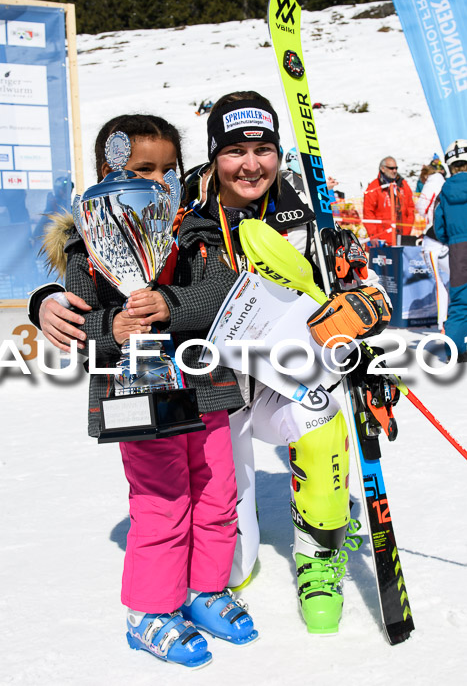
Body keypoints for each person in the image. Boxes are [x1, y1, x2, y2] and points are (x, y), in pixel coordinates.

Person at [31, 94, 392, 636]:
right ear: (212, 158)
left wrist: (362, 321)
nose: (250, 164)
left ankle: (313, 549)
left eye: (263, 149)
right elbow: (82, 306)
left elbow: (256, 290)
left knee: (231, 484)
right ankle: (155, 606)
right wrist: (60, 307)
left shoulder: (258, 218)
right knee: (173, 507)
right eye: (234, 151)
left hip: (231, 388)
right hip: (152, 390)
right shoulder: (131, 229)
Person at [31, 114, 258, 669]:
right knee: (162, 502)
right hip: (137, 392)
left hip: (205, 385)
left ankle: (205, 590)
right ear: (109, 172)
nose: (157, 180)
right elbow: (80, 328)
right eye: (141, 168)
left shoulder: (196, 230)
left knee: (216, 491)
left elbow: (224, 295)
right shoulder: (89, 245)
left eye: (167, 169)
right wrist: (110, 329)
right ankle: (150, 612)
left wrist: (172, 306)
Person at [434, 139, 467, 362]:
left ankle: (455, 353)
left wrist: (453, 240)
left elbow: (439, 228)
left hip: (458, 250)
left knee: (460, 303)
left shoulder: (443, 192)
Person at [416, 159, 449, 331]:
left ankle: (442, 323)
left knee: (439, 283)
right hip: (446, 238)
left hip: (432, 239)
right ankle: (451, 318)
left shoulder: (430, 183)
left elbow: (422, 207)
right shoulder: (446, 183)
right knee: (456, 280)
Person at [363, 156, 415, 245]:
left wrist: (407, 229)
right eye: (391, 168)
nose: (394, 171)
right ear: (383, 169)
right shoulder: (374, 187)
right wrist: (373, 235)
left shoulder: (403, 185)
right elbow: (368, 213)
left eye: (396, 168)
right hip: (383, 239)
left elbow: (410, 208)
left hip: (403, 236)